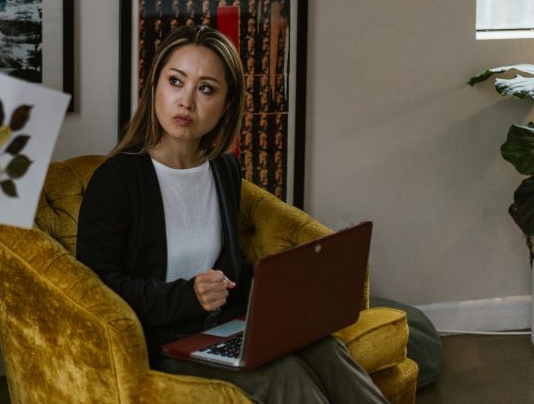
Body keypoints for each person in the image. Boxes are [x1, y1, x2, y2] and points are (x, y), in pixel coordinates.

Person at [76, 26, 387, 403]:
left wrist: (288, 285)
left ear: (227, 103)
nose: (186, 101)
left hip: (224, 326)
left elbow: (227, 269)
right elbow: (97, 289)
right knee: (282, 375)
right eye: (176, 81)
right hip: (162, 343)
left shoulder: (224, 168)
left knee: (326, 349)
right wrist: (189, 296)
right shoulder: (116, 180)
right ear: (155, 85)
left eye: (206, 89)